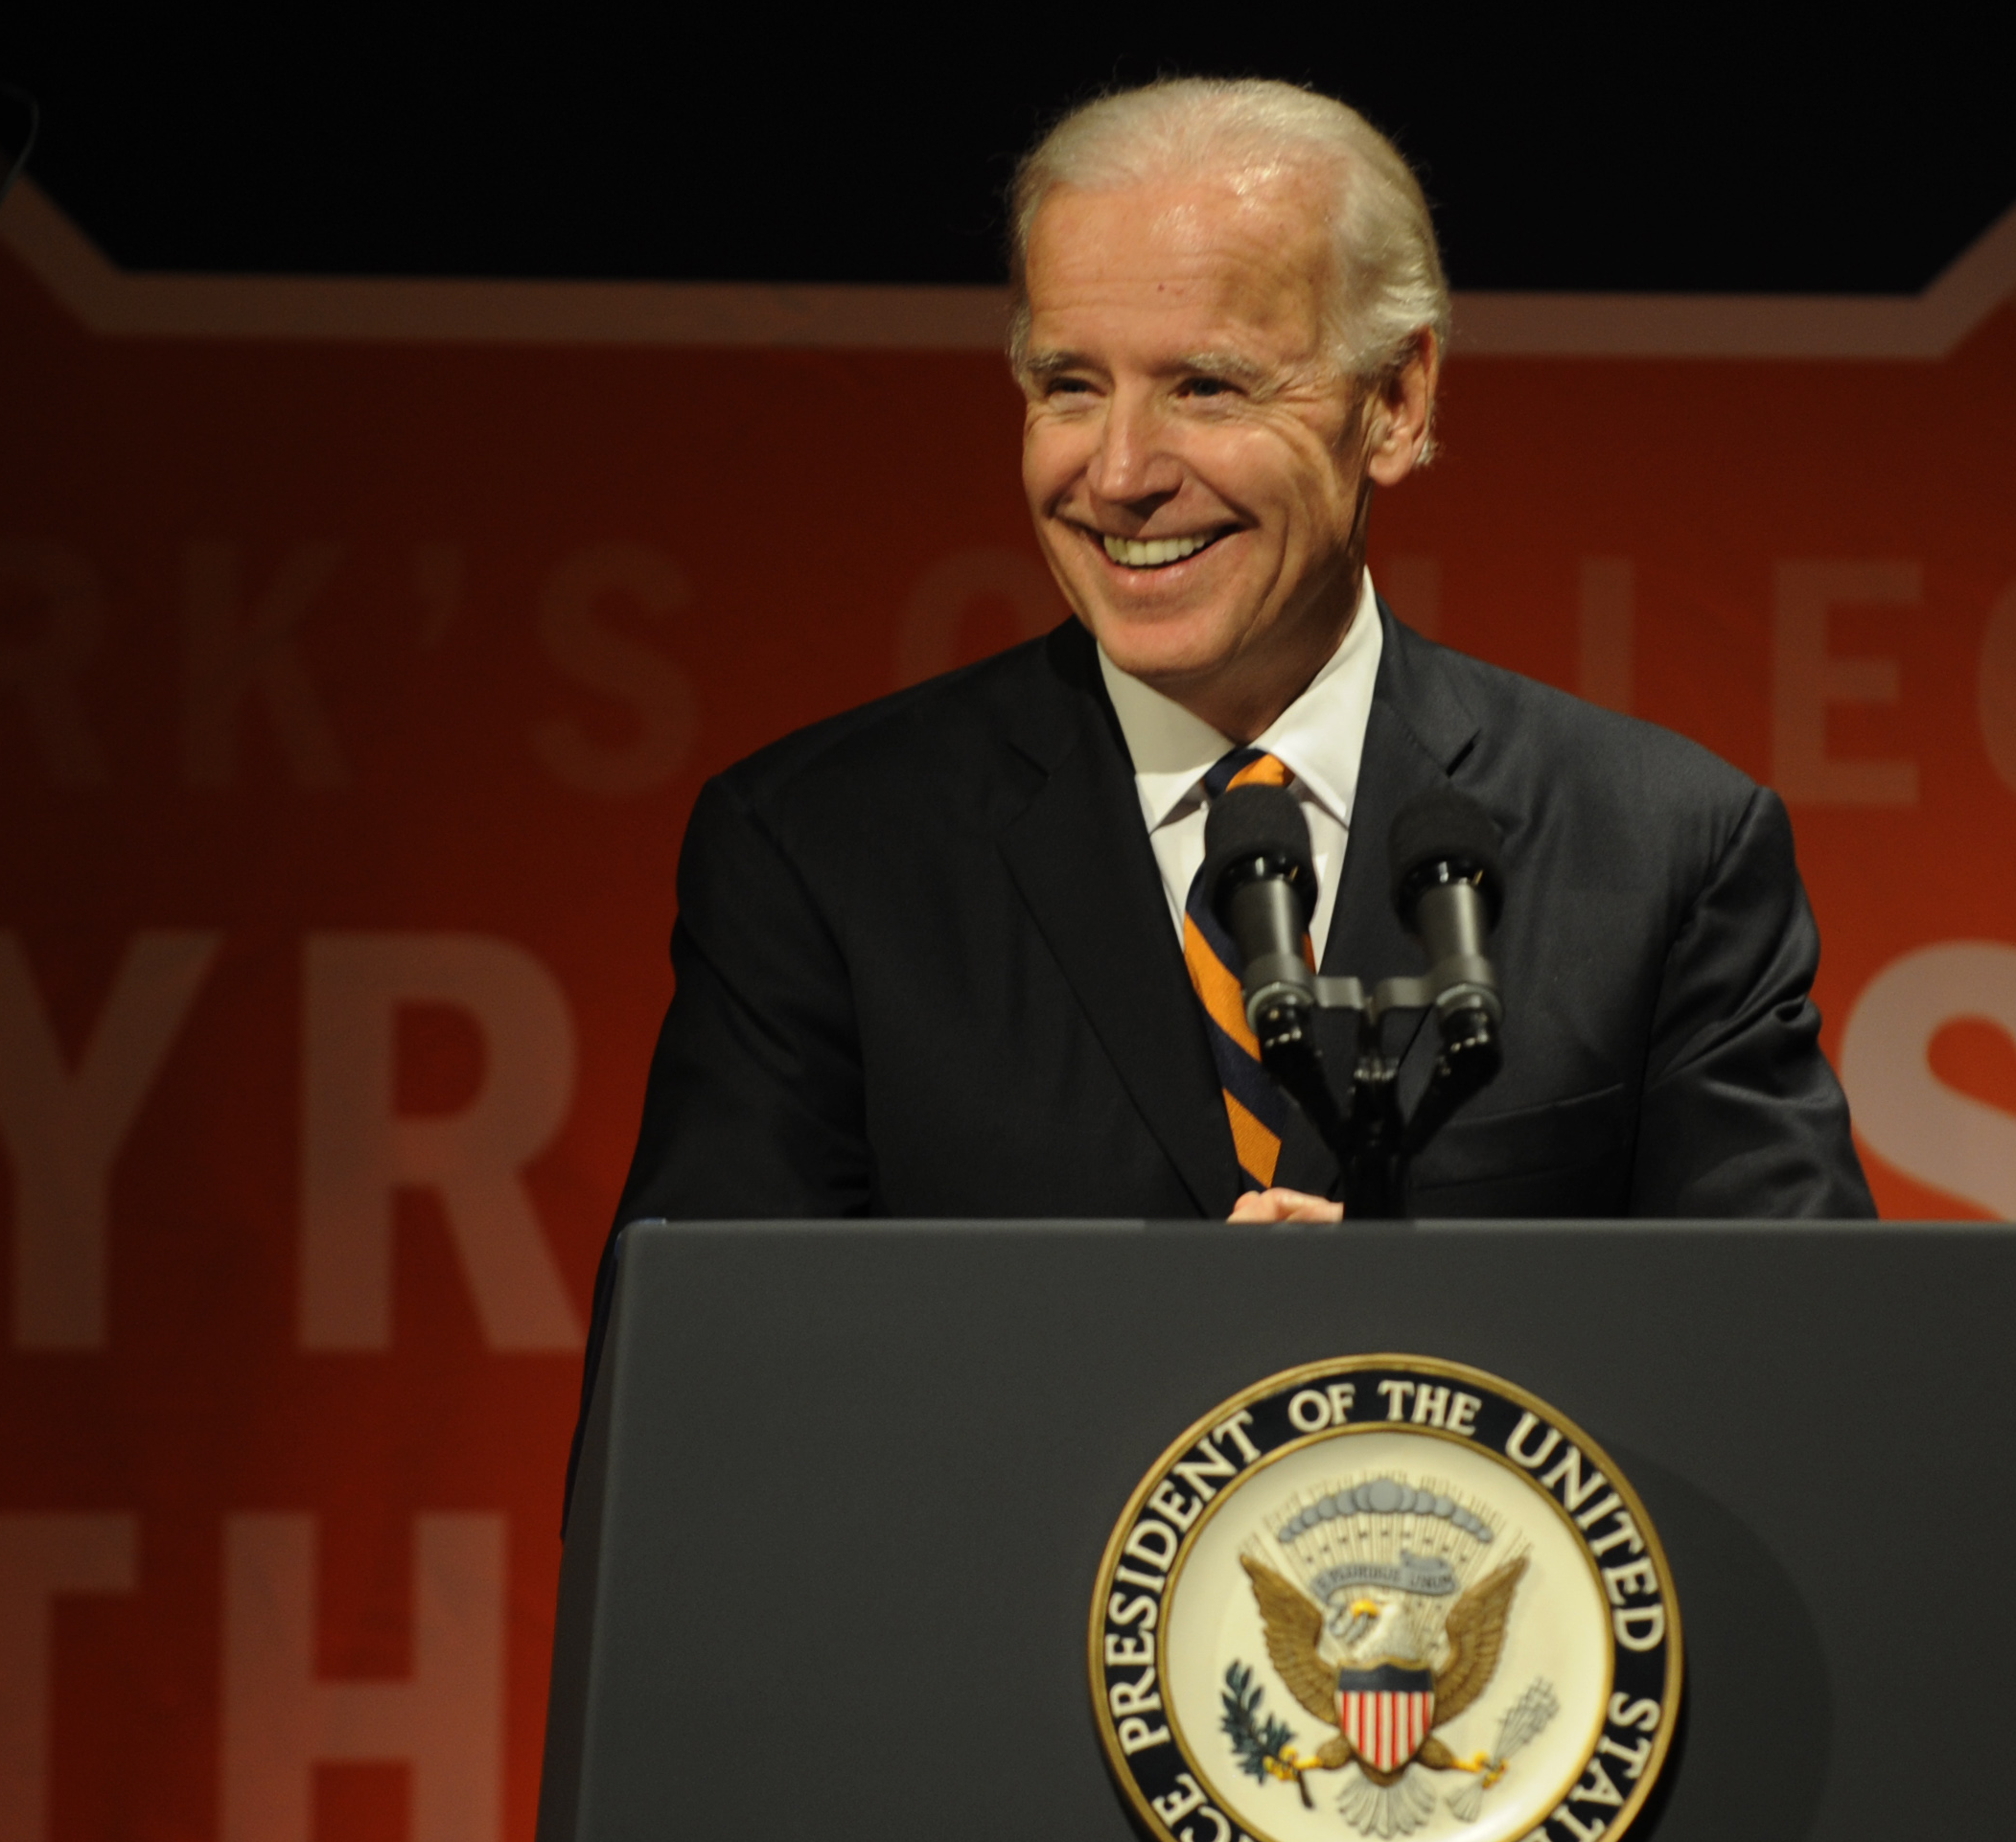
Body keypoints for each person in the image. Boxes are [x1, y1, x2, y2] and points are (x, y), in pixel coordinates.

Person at [605, 77, 1871, 1236]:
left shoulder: (1658, 852)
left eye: (1204, 387)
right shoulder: (820, 857)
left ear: (1395, 401)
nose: (1117, 474)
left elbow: (1790, 1392)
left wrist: (1430, 1337)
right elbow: (715, 1412)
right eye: (1068, 385)